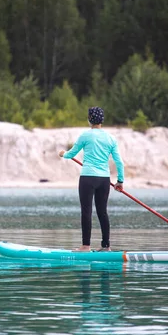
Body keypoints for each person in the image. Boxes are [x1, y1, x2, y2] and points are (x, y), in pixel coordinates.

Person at [58, 106, 125, 252]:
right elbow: (119, 162)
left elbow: (71, 154)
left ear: (89, 119)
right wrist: (120, 181)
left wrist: (63, 153)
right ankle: (106, 246)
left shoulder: (85, 136)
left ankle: (85, 246)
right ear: (102, 120)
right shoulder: (111, 139)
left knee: (86, 211)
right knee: (103, 212)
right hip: (104, 180)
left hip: (88, 178)